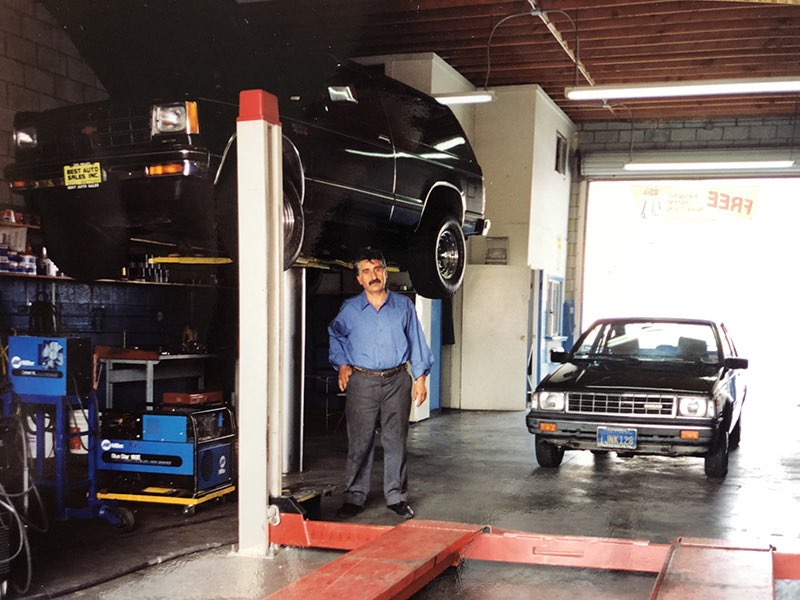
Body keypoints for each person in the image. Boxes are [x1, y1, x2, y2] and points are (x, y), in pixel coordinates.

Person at [328, 248, 433, 520]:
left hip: (397, 381)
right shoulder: (350, 309)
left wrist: (420, 378)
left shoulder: (403, 307)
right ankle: (355, 496)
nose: (373, 276)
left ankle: (396, 496)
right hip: (362, 382)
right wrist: (342, 364)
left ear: (385, 273)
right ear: (359, 279)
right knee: (359, 441)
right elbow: (335, 334)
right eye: (366, 271)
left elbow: (417, 342)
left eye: (377, 269)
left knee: (395, 440)